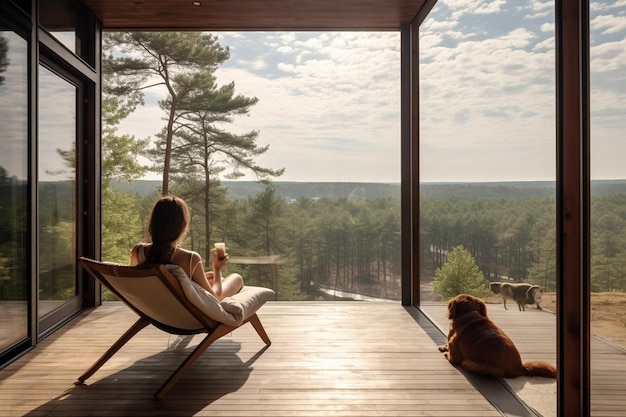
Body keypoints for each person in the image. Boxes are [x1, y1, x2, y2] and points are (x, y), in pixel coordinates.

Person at [130, 195, 243, 300]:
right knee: (236, 278)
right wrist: (217, 270)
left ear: (153, 223)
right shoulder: (190, 258)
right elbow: (215, 298)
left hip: (154, 309)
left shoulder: (138, 251)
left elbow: (144, 284)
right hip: (183, 316)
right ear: (183, 226)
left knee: (211, 279)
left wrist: (196, 279)